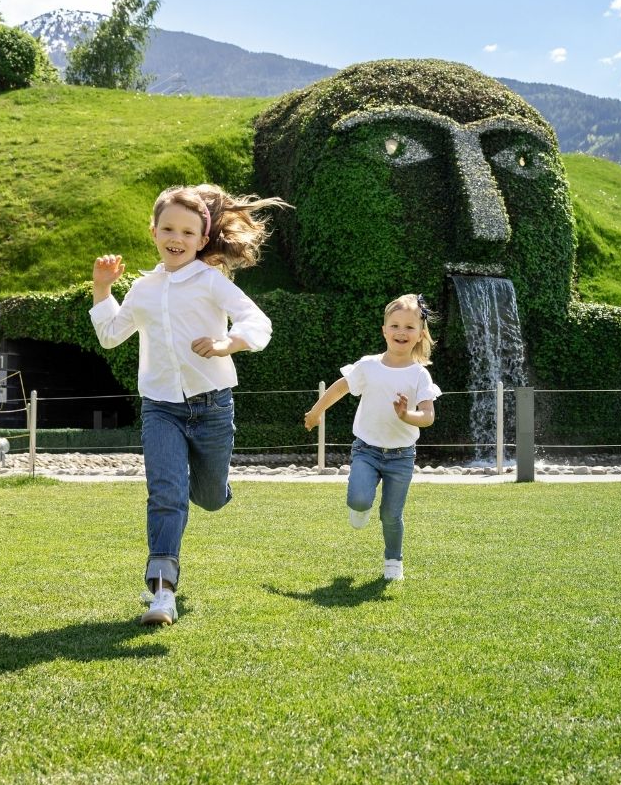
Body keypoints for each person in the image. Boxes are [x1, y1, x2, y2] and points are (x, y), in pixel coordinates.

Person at [91, 184, 289, 626]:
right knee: (166, 494)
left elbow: (257, 320)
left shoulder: (211, 281)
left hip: (213, 406)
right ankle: (162, 593)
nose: (176, 237)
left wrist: (228, 342)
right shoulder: (141, 289)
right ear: (154, 231)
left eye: (187, 231)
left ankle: (216, 490)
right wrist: (103, 291)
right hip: (160, 408)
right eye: (167, 229)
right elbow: (110, 335)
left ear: (203, 240)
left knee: (209, 498)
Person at [304, 293, 441, 582]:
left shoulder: (420, 375)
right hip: (366, 450)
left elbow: (428, 417)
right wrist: (317, 412)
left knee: (392, 515)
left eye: (409, 327)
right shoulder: (368, 366)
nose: (401, 332)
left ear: (419, 335)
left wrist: (406, 416)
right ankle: (361, 507)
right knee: (359, 498)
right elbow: (340, 388)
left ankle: (394, 560)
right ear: (384, 330)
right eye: (395, 325)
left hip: (402, 456)